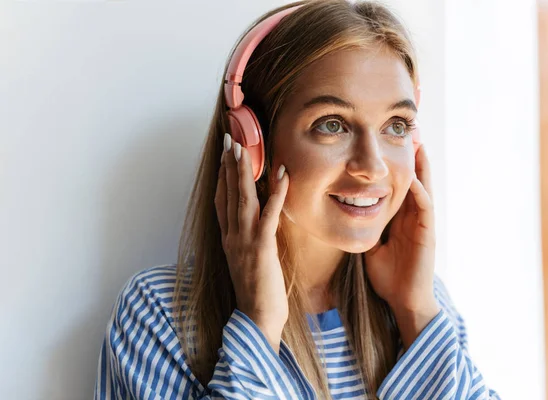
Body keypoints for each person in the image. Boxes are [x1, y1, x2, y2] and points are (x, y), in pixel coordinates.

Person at [94, 1, 500, 398]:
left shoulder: (425, 304)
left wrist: (416, 313)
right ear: (252, 145)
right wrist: (258, 326)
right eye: (332, 124)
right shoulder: (160, 316)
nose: (373, 167)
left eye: (396, 125)